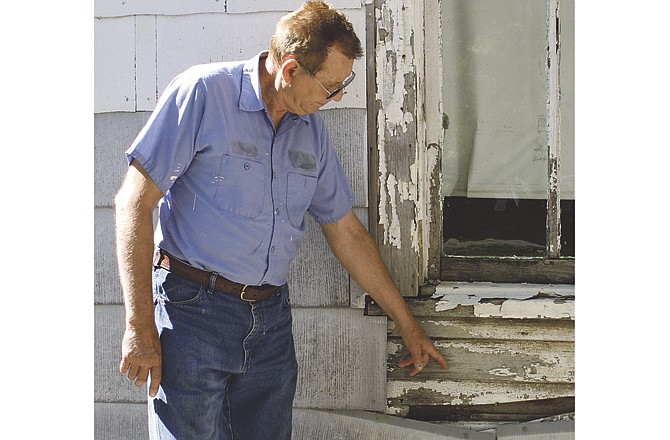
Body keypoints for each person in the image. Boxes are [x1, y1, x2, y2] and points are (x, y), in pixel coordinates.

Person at [114, 1, 448, 439]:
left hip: (269, 322)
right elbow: (133, 203)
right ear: (290, 71)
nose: (339, 97)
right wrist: (139, 325)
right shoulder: (203, 94)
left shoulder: (310, 131)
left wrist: (408, 326)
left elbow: (346, 232)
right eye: (331, 86)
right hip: (193, 313)